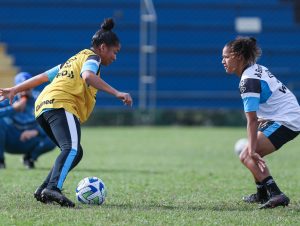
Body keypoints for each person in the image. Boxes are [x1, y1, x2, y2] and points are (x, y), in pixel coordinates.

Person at [0, 18, 132, 207]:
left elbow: (42, 77)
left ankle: (43, 190)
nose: (115, 57)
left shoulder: (72, 61)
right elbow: (88, 76)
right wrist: (117, 92)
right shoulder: (92, 59)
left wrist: (14, 89)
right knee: (71, 148)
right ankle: (53, 189)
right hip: (61, 105)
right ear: (103, 47)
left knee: (74, 152)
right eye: (114, 52)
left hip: (43, 107)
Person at [222, 36, 300, 209]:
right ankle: (261, 194)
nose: (223, 61)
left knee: (247, 155)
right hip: (284, 115)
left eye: (226, 57)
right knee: (252, 152)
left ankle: (276, 194)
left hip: (287, 120)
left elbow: (251, 120)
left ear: (238, 56)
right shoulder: (255, 69)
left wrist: (251, 148)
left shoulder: (248, 81)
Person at [0, 72, 56, 169]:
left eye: (28, 87)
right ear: (17, 87)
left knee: (55, 135)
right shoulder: (8, 98)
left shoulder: (40, 98)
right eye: (22, 88)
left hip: (30, 140)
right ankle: (0, 161)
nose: (25, 91)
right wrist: (13, 109)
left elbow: (52, 120)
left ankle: (30, 158)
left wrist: (37, 131)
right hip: (10, 138)